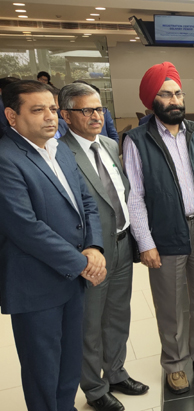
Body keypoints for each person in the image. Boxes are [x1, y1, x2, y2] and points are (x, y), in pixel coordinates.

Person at [123, 62, 194, 394]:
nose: (175, 100)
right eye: (166, 94)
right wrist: (145, 242)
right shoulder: (137, 140)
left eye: (178, 93)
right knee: (170, 304)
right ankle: (175, 363)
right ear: (151, 100)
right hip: (165, 233)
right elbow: (135, 196)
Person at [0, 80, 106, 411]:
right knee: (43, 371)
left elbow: (86, 202)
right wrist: (82, 263)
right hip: (36, 285)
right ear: (12, 116)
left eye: (52, 108)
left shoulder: (59, 150)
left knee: (69, 363)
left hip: (72, 280)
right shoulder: (6, 159)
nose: (50, 117)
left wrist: (94, 247)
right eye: (37, 110)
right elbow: (25, 227)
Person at [58, 83, 149, 411]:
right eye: (87, 110)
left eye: (99, 109)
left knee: (118, 316)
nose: (96, 116)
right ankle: (94, 388)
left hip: (122, 245)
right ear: (66, 115)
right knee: (90, 325)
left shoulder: (110, 145)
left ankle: (115, 372)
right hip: (92, 253)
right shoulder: (60, 154)